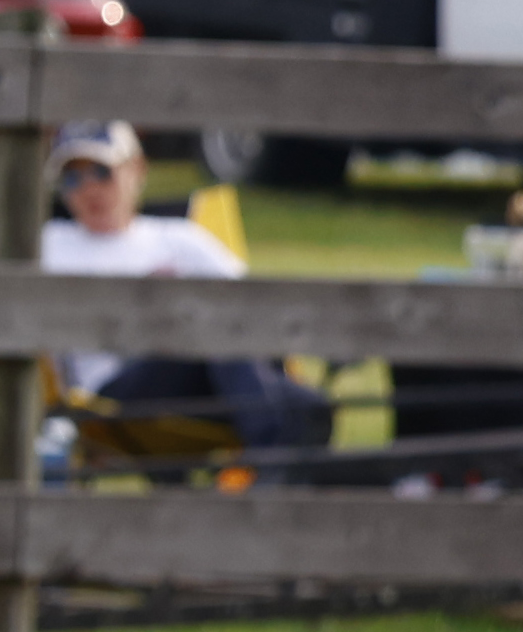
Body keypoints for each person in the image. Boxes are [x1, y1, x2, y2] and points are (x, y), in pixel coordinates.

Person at [43, 120, 326, 456]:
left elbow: (252, 307)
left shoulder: (180, 237)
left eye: (102, 172)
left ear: (137, 169)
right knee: (210, 326)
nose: (89, 189)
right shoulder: (50, 245)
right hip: (110, 394)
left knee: (308, 404)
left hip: (206, 382)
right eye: (73, 178)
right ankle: (271, 457)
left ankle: (290, 480)